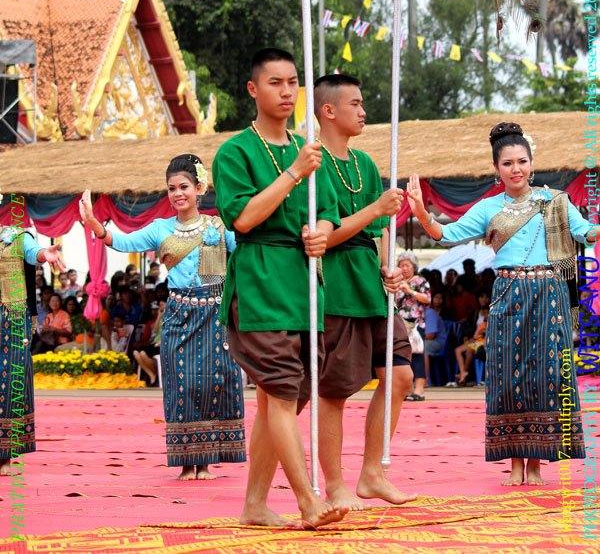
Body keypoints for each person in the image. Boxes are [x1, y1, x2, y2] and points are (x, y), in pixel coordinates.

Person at [407, 121, 597, 486]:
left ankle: (538, 463)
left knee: (545, 374)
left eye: (522, 161)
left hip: (549, 295)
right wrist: (419, 210)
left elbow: (584, 233)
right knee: (507, 377)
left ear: (532, 163)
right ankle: (513, 462)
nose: (516, 169)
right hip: (509, 294)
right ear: (497, 169)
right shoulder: (488, 208)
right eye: (508, 163)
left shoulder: (554, 200)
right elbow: (445, 234)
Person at [212, 48, 347, 530]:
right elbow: (244, 218)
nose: (287, 91)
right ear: (253, 89)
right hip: (261, 283)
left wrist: (322, 232)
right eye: (275, 82)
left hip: (305, 284)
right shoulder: (236, 152)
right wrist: (293, 174)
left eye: (293, 82)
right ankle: (309, 500)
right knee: (282, 394)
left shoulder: (309, 150)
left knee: (279, 398)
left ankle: (254, 503)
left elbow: (329, 212)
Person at [79, 152, 246, 481]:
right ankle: (187, 462)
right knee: (181, 385)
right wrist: (97, 226)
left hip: (214, 314)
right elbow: (122, 241)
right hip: (179, 316)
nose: (177, 193)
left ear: (200, 188)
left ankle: (207, 461)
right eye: (171, 188)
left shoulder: (217, 226)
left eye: (184, 186)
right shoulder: (159, 229)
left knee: (214, 383)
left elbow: (247, 246)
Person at [312, 73, 414, 511]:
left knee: (402, 374)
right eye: (355, 103)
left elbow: (380, 229)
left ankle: (373, 471)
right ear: (328, 110)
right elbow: (325, 238)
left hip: (371, 281)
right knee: (334, 390)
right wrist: (375, 208)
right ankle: (334, 484)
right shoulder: (311, 164)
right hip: (335, 281)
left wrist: (391, 267)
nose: (363, 110)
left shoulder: (366, 164)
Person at [0, 224, 64, 475]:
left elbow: (33, 252)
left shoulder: (14, 236)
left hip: (13, 320)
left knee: (10, 380)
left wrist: (43, 254)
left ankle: (4, 456)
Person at [395, 252, 431, 401]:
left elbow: (427, 299)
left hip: (416, 325)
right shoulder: (397, 282)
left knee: (417, 356)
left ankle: (419, 389)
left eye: (407, 265)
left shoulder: (420, 281)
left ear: (414, 267)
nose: (404, 268)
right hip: (400, 325)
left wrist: (410, 291)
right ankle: (407, 389)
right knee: (404, 357)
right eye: (401, 265)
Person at [454, 291, 489, 384]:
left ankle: (463, 375)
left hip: (484, 340)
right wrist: (467, 336)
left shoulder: (492, 313)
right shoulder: (475, 312)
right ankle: (463, 372)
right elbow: (471, 328)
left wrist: (476, 336)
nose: (483, 299)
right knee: (458, 350)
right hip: (475, 339)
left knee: (470, 349)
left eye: (486, 297)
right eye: (481, 297)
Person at [134, 300, 164, 384]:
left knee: (143, 353)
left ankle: (155, 375)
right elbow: (154, 330)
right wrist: (159, 314)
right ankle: (152, 375)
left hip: (162, 345)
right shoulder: (159, 318)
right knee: (136, 353)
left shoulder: (170, 318)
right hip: (155, 344)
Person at [424, 291, 449, 357]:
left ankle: (425, 367)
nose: (438, 300)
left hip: (437, 341)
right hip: (430, 339)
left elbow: (430, 336)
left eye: (440, 298)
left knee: (422, 346)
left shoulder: (431, 312)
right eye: (436, 297)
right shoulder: (423, 311)